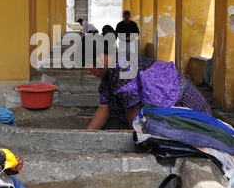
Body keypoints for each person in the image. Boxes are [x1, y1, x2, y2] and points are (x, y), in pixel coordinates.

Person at [79, 34, 212, 130]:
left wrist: (135, 141)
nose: (89, 71)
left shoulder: (123, 67)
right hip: (173, 108)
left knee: (207, 137)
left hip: (184, 101)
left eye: (88, 65)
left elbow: (132, 109)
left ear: (100, 58)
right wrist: (87, 136)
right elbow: (104, 109)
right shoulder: (109, 76)